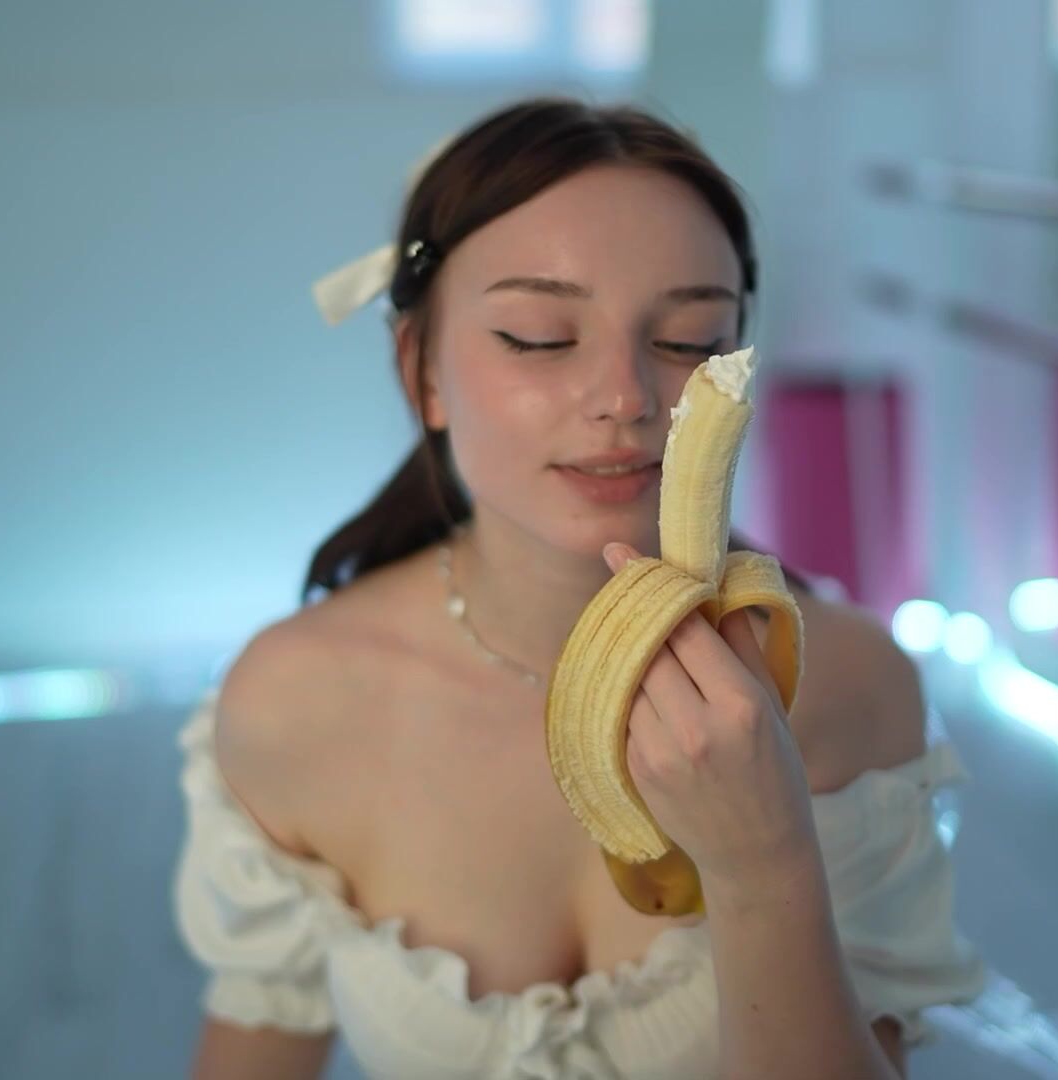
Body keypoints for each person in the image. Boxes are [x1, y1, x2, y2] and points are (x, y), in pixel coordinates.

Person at [173, 97, 984, 1080]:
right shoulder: (293, 699)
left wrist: (763, 863)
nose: (627, 399)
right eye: (539, 337)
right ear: (421, 369)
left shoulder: (854, 686)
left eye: (689, 340)